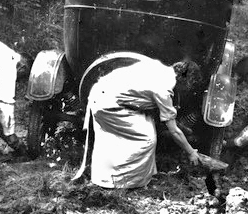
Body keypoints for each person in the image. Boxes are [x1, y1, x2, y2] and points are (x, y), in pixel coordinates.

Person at [73, 55, 205, 189]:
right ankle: (125, 182)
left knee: (147, 124)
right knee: (147, 139)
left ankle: (132, 175)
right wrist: (191, 152)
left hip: (100, 93)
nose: (186, 90)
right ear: (184, 79)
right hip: (108, 104)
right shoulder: (164, 88)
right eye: (189, 85)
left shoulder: (159, 67)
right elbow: (174, 131)